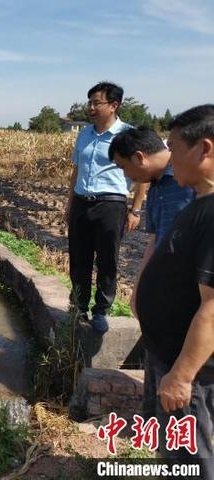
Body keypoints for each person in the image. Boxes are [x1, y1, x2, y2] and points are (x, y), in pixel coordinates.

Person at [135, 105, 214, 477]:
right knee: (174, 456)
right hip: (167, 355)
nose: (169, 157)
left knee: (193, 460)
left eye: (174, 146)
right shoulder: (199, 203)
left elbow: (213, 307)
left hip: (190, 373)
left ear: (205, 149)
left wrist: (182, 375)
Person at [64, 81, 146, 334]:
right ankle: (79, 305)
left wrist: (135, 210)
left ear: (114, 105)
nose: (90, 107)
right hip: (81, 201)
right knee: (79, 257)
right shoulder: (85, 133)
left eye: (96, 102)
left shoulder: (127, 136)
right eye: (89, 102)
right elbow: (76, 170)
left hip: (111, 205)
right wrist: (69, 203)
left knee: (107, 259)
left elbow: (142, 174)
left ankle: (101, 310)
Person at [108, 126, 194, 316]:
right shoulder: (155, 189)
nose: (125, 175)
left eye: (123, 167)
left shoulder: (193, 177)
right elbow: (155, 240)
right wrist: (138, 287)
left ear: (139, 157)